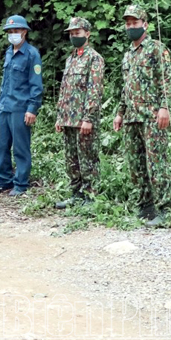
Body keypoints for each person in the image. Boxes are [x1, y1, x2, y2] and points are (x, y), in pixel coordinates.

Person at [112, 4, 171, 227]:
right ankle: (145, 206)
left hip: (152, 115)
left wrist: (164, 107)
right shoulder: (128, 54)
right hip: (132, 117)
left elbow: (165, 80)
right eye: (128, 24)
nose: (131, 27)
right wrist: (120, 113)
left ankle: (165, 208)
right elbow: (126, 87)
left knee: (156, 163)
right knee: (136, 165)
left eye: (135, 23)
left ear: (145, 24)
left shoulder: (156, 49)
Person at [54, 17, 105, 209]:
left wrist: (88, 118)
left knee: (87, 160)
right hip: (68, 118)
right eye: (72, 33)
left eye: (78, 33)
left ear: (87, 33)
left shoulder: (94, 58)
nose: (74, 36)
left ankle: (90, 198)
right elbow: (64, 89)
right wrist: (60, 116)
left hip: (84, 120)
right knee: (71, 160)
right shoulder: (71, 59)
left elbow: (95, 90)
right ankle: (75, 195)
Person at [0, 15, 43, 196]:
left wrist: (32, 108)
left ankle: (21, 184)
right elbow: (5, 81)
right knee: (0, 146)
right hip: (4, 107)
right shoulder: (8, 52)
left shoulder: (31, 54)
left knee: (21, 147)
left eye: (16, 31)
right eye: (10, 31)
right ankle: (4, 181)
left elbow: (36, 85)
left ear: (24, 32)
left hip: (21, 107)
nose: (13, 34)